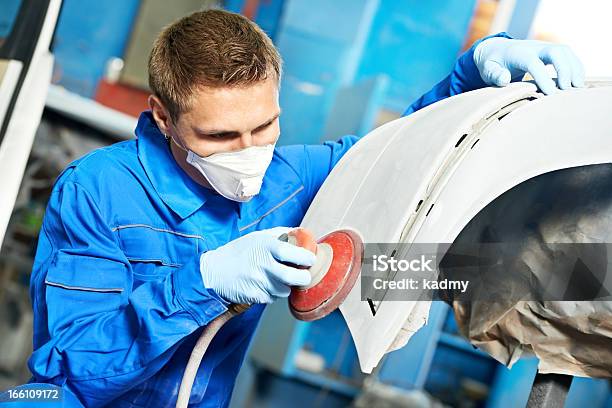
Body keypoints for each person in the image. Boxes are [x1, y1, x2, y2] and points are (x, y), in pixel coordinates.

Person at [27, 8, 584, 408]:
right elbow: (78, 371)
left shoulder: (288, 177)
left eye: (265, 125)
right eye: (220, 135)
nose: (249, 152)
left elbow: (391, 154)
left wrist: (473, 69)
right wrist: (204, 283)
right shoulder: (97, 191)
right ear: (164, 117)